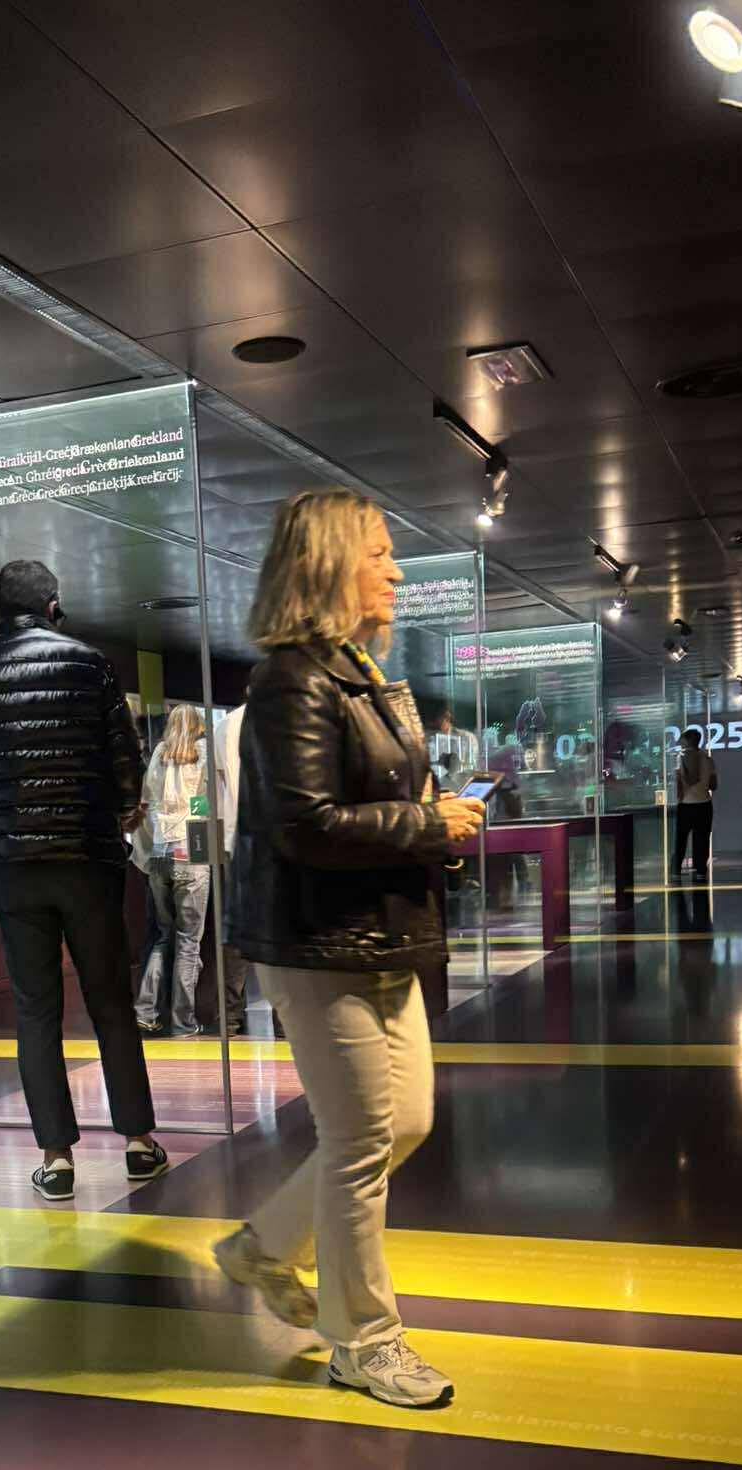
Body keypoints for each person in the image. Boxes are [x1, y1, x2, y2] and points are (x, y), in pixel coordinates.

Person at [212, 490, 484, 1408]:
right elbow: (303, 825)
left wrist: (431, 821)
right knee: (364, 1139)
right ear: (329, 563)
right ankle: (363, 1342)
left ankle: (260, 1249)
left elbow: (364, 805)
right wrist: (427, 824)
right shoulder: (291, 680)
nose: (396, 572)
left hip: (377, 933)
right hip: (317, 941)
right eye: (378, 553)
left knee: (403, 1124)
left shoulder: (359, 673)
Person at [0, 558, 165, 1201]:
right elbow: (124, 755)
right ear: (54, 605)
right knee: (110, 1003)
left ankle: (56, 1159)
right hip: (88, 861)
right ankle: (139, 1144)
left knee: (36, 1011)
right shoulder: (91, 665)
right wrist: (122, 812)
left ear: (0, 609)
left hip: (14, 871)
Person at [132, 703, 210, 1039]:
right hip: (190, 853)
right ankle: (183, 1022)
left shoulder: (160, 753)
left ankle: (146, 1011)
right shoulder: (201, 753)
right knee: (189, 941)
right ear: (198, 726)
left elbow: (148, 802)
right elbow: (203, 805)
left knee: (164, 935)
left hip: (161, 853)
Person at [216, 702, 251, 1030]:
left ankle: (230, 1015)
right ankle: (283, 1020)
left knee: (235, 933)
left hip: (232, 838)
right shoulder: (280, 714)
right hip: (273, 839)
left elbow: (217, 787)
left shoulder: (225, 725)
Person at [673, 727, 718, 877]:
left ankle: (676, 870)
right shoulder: (708, 759)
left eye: (682, 740)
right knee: (702, 839)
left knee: (681, 839)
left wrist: (680, 798)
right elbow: (714, 785)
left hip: (686, 804)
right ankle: (700, 871)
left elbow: (679, 782)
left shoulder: (680, 757)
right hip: (704, 804)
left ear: (688, 741)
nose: (681, 743)